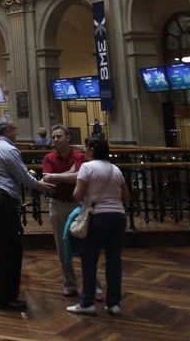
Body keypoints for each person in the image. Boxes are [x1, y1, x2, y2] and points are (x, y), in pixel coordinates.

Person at [0, 118, 55, 312]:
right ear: (6, 131)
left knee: (4, 249)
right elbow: (22, 177)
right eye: (14, 129)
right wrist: (40, 185)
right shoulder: (9, 149)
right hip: (1, 200)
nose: (16, 132)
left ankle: (2, 297)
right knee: (10, 251)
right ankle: (5, 299)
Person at [66, 135, 130, 317]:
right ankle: (113, 303)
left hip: (98, 218)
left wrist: (88, 199)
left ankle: (87, 302)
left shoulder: (87, 167)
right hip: (118, 216)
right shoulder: (115, 169)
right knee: (114, 260)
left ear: (92, 150)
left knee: (89, 259)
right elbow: (126, 197)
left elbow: (77, 195)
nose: (83, 151)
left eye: (85, 148)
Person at [41, 124, 86, 296]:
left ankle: (92, 284)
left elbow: (80, 178)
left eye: (59, 136)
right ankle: (70, 283)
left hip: (77, 204)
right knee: (62, 247)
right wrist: (69, 175)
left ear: (68, 137)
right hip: (57, 204)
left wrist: (55, 177)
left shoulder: (80, 157)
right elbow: (47, 181)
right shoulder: (49, 157)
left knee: (85, 244)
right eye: (53, 137)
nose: (55, 140)